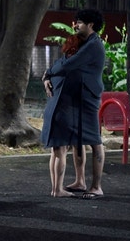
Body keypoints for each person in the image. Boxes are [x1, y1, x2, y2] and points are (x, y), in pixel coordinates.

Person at [46, 9, 106, 200]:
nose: (75, 25)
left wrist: (48, 73)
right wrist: (48, 75)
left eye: (79, 22)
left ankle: (96, 186)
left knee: (94, 140)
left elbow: (67, 64)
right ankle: (80, 181)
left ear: (91, 25)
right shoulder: (81, 42)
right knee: (76, 140)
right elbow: (64, 59)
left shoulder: (94, 45)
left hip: (88, 96)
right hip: (77, 96)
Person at [40, 34, 84, 198]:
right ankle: (58, 189)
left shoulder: (58, 63)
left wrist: (45, 79)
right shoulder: (75, 68)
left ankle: (55, 188)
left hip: (52, 110)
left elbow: (46, 75)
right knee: (61, 152)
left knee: (56, 152)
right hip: (64, 112)